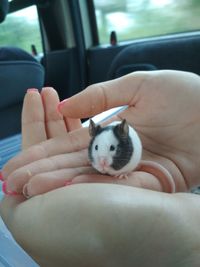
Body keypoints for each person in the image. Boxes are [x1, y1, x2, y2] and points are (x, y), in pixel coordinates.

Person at [0, 70, 200, 267]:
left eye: (111, 149)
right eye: (96, 150)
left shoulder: (130, 146)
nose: (102, 161)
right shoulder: (98, 148)